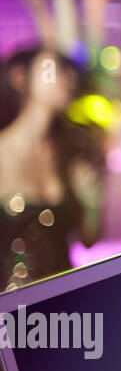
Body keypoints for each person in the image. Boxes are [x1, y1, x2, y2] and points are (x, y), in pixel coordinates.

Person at [0, 50, 104, 289]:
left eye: (69, 71)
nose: (68, 77)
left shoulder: (71, 152)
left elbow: (88, 240)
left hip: (65, 296)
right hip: (13, 303)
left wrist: (92, 207)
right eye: (53, 68)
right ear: (20, 77)